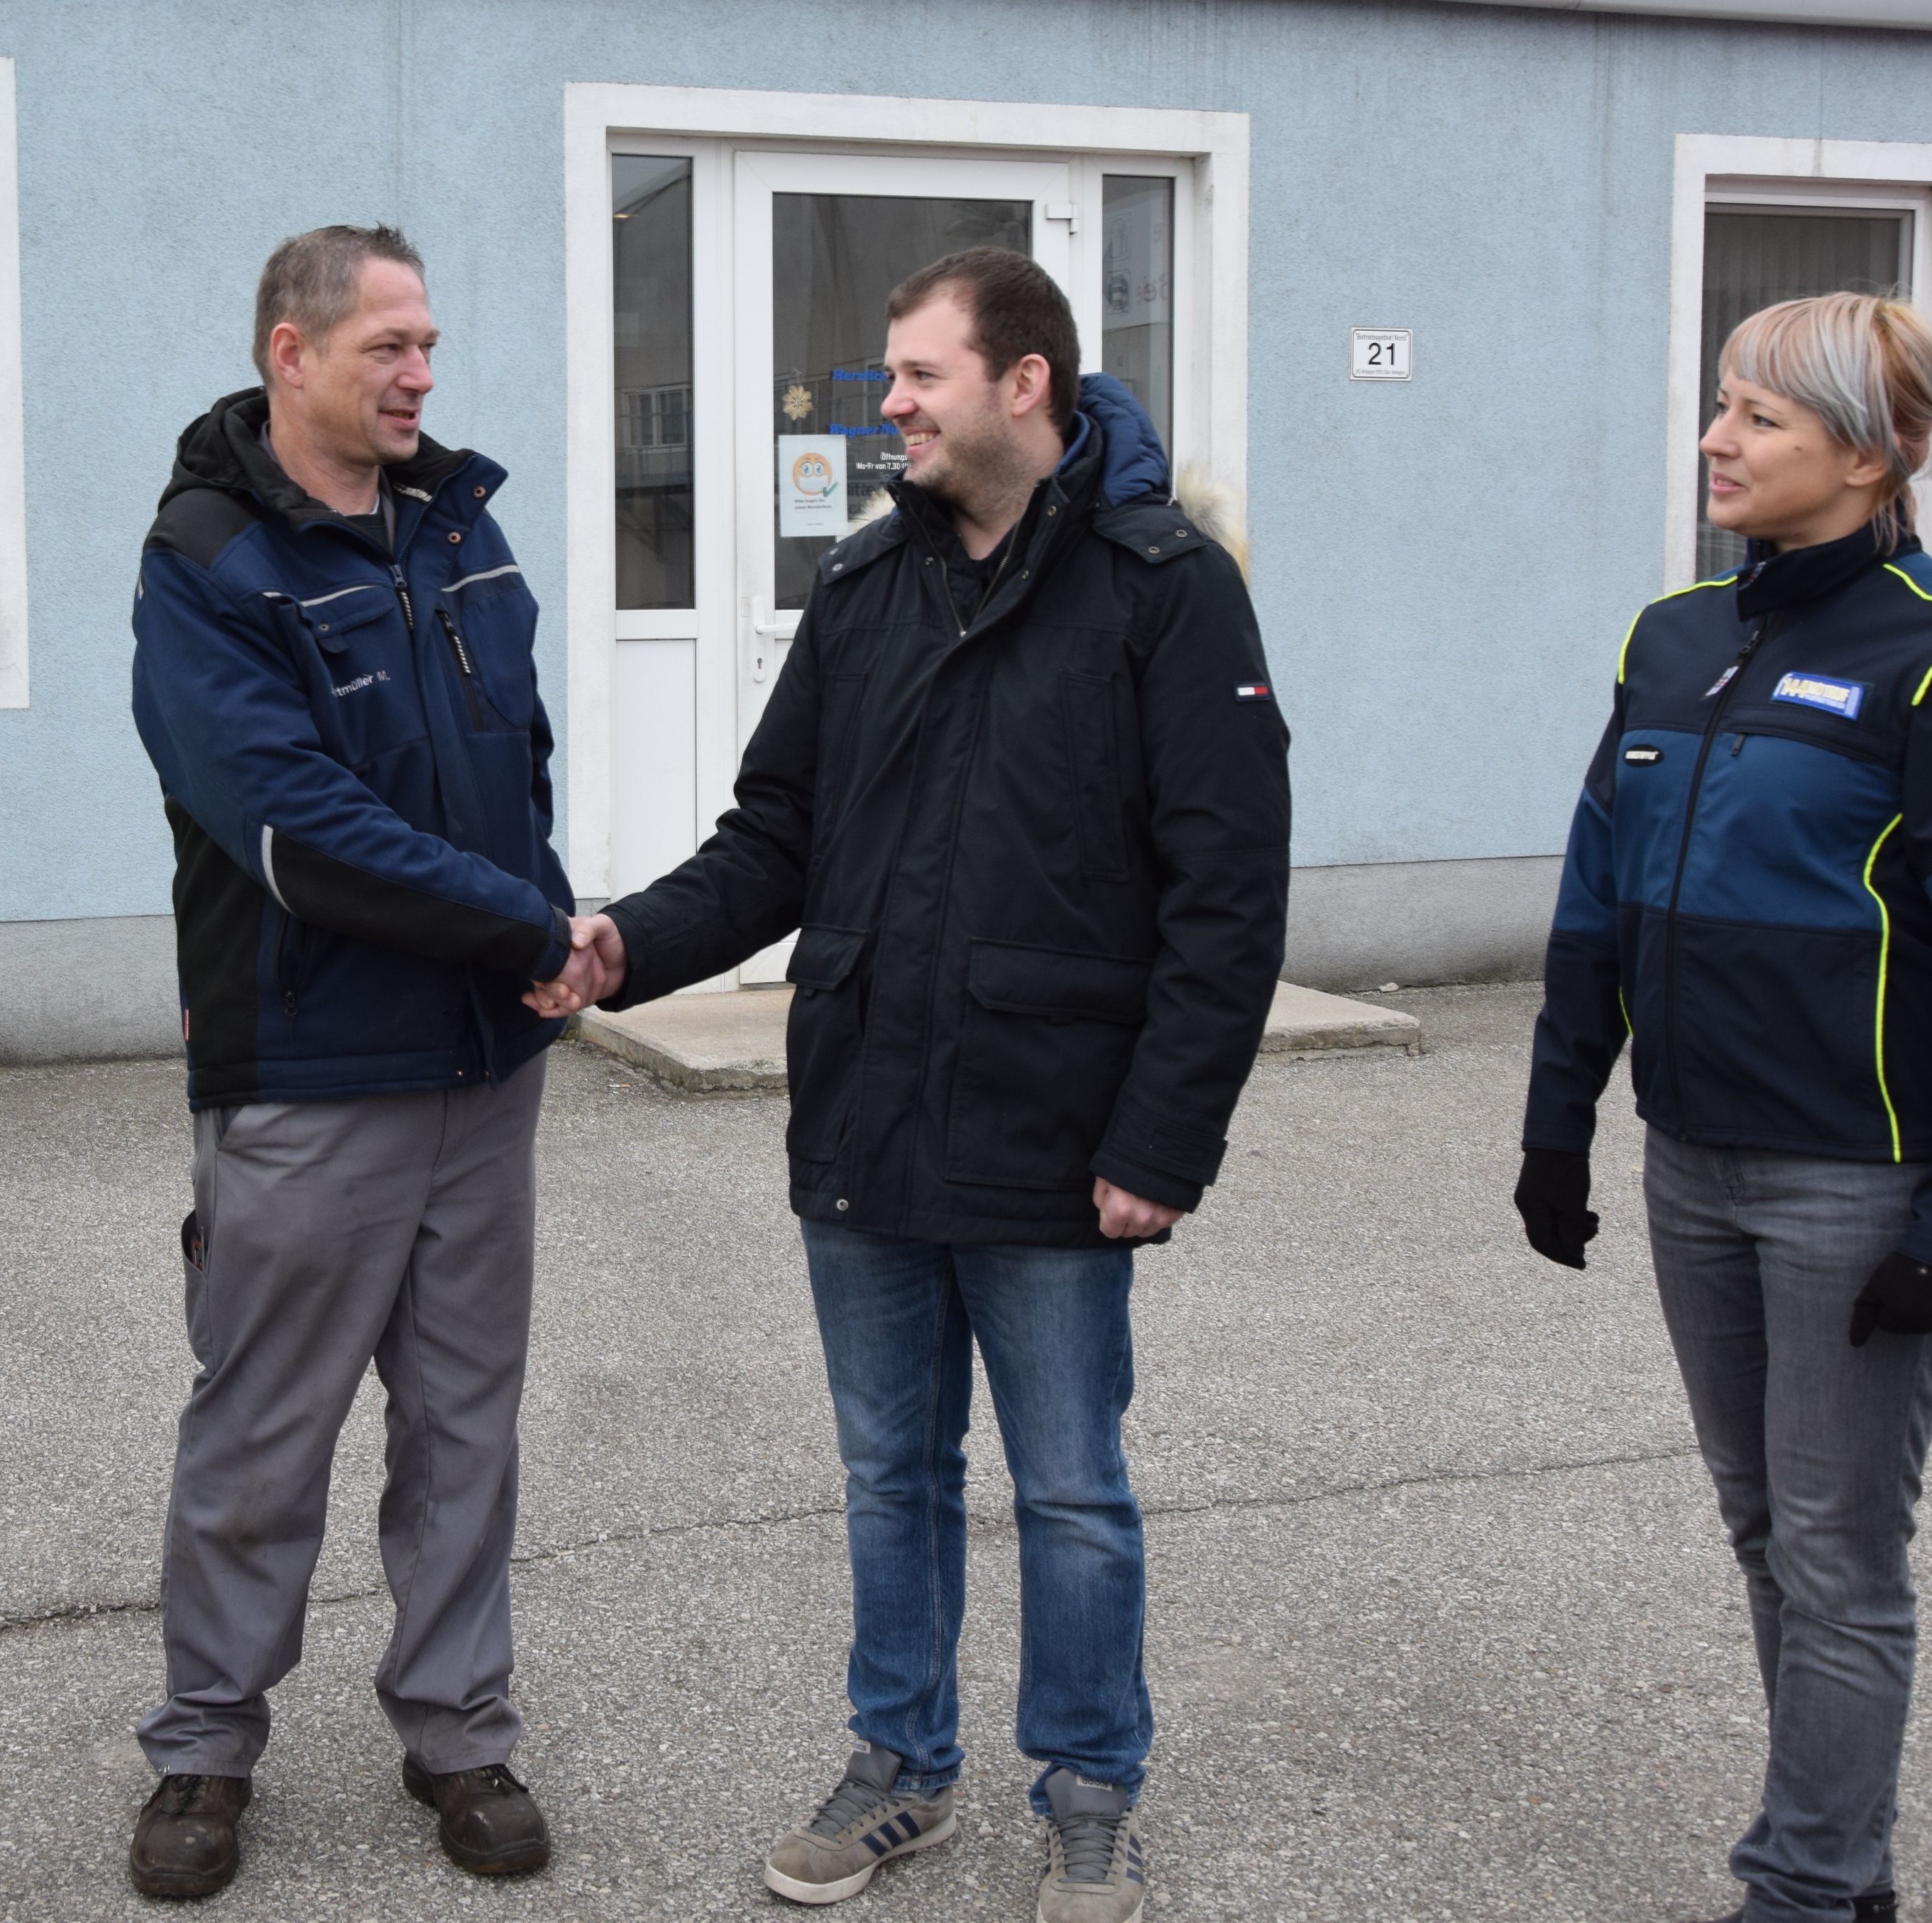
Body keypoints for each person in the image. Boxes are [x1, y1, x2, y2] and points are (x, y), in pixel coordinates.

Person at [532, 248, 1289, 1923]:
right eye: (886, 376)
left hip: (1058, 1132)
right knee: (891, 1475)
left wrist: (1162, 1135)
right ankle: (901, 1765)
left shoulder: (1165, 588)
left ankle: (1090, 1792)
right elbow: (775, 839)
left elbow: (1226, 893)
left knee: (1072, 1490)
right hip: (866, 1114)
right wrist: (618, 946)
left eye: (915, 376)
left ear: (1023, 383)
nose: (887, 404)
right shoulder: (866, 585)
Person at [1516, 293, 1932, 1923]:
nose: (1715, 437)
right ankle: (1846, 1859)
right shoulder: (1673, 638)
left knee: (1836, 1555)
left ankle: (1804, 1885)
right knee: (1762, 1526)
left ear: (1862, 450)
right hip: (1691, 1160)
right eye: (1719, 405)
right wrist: (1560, 1116)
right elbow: (1594, 893)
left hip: (1858, 1185)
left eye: (1755, 413)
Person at [124, 224, 575, 1900]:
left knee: (465, 1420)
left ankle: (457, 1727)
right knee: (264, 1428)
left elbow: (511, 770)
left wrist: (549, 915)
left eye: (429, 342)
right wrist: (523, 924)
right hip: (312, 1069)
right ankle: (201, 1749)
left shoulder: (460, 528)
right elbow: (293, 828)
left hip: (482, 1067)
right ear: (287, 353)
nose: (420, 373)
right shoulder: (208, 564)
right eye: (387, 344)